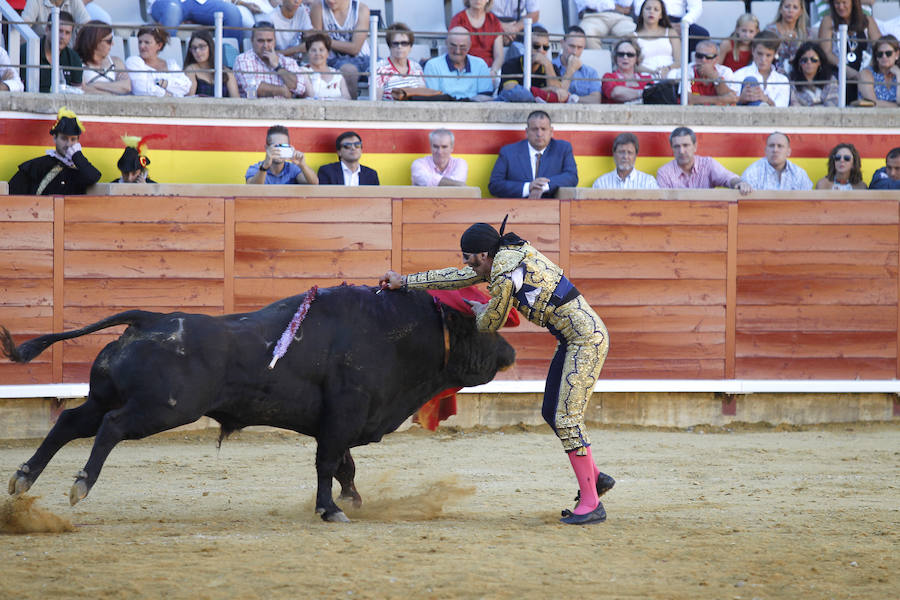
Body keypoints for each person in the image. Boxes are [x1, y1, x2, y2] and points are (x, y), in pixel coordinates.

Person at [379, 217, 613, 526]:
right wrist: (405, 282)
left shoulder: (503, 271)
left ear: (483, 255)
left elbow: (491, 322)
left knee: (566, 418)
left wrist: (477, 313)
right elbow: (459, 277)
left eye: (469, 258)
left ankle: (592, 503)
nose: (466, 264)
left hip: (585, 340)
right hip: (573, 338)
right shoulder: (506, 255)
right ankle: (594, 479)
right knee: (551, 412)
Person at [9, 107, 101, 195]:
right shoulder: (36, 167)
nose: (68, 144)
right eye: (64, 139)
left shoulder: (81, 169)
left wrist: (77, 156)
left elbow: (94, 177)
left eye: (73, 139)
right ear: (55, 138)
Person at [488, 110, 577, 199]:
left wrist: (543, 186)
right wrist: (528, 187)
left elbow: (572, 177)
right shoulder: (508, 152)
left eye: (543, 129)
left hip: (552, 209)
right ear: (527, 132)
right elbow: (494, 185)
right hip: (516, 209)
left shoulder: (563, 149)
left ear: (551, 131)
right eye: (534, 129)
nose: (539, 134)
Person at [657, 126, 752, 194]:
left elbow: (727, 178)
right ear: (672, 149)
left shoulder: (707, 164)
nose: (681, 151)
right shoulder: (664, 172)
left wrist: (739, 183)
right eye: (677, 146)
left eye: (686, 145)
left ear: (695, 146)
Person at [818, 0, 881, 101]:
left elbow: (880, 47)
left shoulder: (867, 21)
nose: (841, 7)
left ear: (853, 3)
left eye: (844, 2)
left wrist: (865, 72)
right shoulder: (828, 21)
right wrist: (845, 69)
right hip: (837, 72)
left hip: (865, 71)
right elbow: (826, 53)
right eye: (837, 3)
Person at [309, 0, 371, 99]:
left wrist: (326, 40)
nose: (330, 1)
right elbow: (318, 43)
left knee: (382, 70)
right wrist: (322, 39)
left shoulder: (361, 9)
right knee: (348, 71)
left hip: (365, 58)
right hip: (334, 59)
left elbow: (355, 48)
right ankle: (353, 109)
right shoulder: (318, 7)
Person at [234, 21, 306, 98]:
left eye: (269, 41)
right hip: (255, 108)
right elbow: (251, 89)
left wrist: (278, 67)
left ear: (275, 41)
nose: (265, 45)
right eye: (260, 41)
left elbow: (300, 89)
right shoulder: (243, 59)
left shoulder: (287, 62)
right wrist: (282, 91)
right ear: (252, 40)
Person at [497, 25, 568, 102]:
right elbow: (515, 93)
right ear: (525, 45)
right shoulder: (511, 65)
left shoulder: (552, 68)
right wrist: (548, 90)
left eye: (545, 47)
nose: (541, 50)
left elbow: (559, 96)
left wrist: (548, 65)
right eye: (536, 46)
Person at [423, 28, 495, 101]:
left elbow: (486, 97)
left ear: (469, 45)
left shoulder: (480, 65)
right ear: (446, 43)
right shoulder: (433, 65)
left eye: (462, 47)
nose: (457, 51)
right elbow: (433, 99)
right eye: (453, 45)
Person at [21, 10, 82, 93]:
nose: (63, 36)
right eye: (59, 31)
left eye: (67, 33)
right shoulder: (26, 52)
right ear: (47, 30)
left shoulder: (73, 58)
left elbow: (77, 92)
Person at [374, 23, 436, 101]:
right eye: (395, 43)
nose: (399, 47)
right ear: (389, 46)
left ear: (410, 47)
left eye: (404, 43)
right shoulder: (379, 68)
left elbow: (422, 96)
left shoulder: (416, 67)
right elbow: (376, 102)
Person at [125, 26, 191, 97]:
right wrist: (167, 94)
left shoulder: (171, 65)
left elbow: (186, 86)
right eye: (140, 42)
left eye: (147, 42)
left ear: (159, 45)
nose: (142, 46)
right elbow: (140, 88)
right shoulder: (133, 62)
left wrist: (163, 83)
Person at [666, 40, 737, 105]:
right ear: (695, 56)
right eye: (699, 56)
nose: (703, 60)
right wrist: (721, 99)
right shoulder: (685, 70)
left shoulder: (725, 71)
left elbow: (732, 99)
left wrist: (715, 78)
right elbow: (687, 99)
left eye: (709, 57)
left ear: (716, 59)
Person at [246, 124, 318, 184]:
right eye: (276, 146)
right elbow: (252, 189)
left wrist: (303, 166)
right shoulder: (255, 168)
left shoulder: (293, 168)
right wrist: (265, 167)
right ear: (267, 148)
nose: (280, 151)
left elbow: (314, 184)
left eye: (284, 146)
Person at [734, 31, 790, 107]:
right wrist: (741, 99)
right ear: (753, 51)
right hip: (746, 117)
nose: (763, 59)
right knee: (750, 80)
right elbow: (728, 106)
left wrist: (765, 99)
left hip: (772, 118)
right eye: (760, 54)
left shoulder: (782, 80)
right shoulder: (739, 75)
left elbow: (782, 109)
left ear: (775, 54)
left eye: (768, 55)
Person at [74, 20, 131, 95]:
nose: (113, 44)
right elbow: (83, 90)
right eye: (109, 41)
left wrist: (96, 84)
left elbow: (126, 87)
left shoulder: (116, 61)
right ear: (95, 41)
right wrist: (114, 90)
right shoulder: (77, 63)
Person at [741, 132, 813, 191]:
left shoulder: (799, 174)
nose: (775, 150)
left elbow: (809, 202)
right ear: (766, 150)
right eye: (771, 146)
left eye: (780, 146)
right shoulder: (752, 173)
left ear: (788, 152)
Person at [449, 0, 505, 75]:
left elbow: (499, 56)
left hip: (488, 70)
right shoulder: (459, 19)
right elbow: (455, 51)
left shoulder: (494, 21)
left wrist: (493, 71)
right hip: (465, 70)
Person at [150, 0, 246, 43]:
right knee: (173, 10)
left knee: (232, 12)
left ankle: (228, 67)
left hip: (201, 3)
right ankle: (165, 64)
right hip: (168, 2)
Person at [634, 0, 709, 54]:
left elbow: (696, 8)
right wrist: (663, 22)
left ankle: (688, 70)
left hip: (680, 20)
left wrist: (684, 24)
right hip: (652, 16)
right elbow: (638, 7)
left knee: (702, 35)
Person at [553, 26, 602, 104]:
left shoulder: (590, 72)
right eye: (571, 46)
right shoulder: (550, 66)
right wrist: (570, 70)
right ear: (562, 43)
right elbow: (555, 98)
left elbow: (596, 100)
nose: (575, 52)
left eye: (579, 47)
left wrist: (572, 98)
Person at [184, 29, 240, 98]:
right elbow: (189, 100)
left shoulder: (226, 72)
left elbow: (236, 99)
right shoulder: (191, 70)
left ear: (210, 47)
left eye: (201, 47)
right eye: (194, 48)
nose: (197, 51)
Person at [591, 132, 659, 189]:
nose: (625, 157)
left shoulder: (648, 183)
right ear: (614, 154)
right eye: (621, 152)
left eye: (630, 153)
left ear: (635, 155)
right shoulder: (601, 183)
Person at [633, 0, 680, 78]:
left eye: (656, 9)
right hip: (645, 75)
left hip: (671, 73)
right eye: (648, 8)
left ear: (661, 15)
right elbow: (634, 65)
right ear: (642, 13)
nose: (651, 12)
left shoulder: (671, 33)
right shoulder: (634, 36)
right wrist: (653, 72)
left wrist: (667, 69)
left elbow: (680, 61)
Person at [299, 32, 351, 99]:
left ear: (328, 53)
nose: (317, 53)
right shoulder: (303, 72)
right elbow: (312, 96)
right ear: (308, 53)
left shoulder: (337, 74)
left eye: (321, 50)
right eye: (313, 50)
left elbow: (347, 98)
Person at [764, 0, 809, 76]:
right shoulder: (770, 30)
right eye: (787, 7)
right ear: (780, 9)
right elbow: (764, 53)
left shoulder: (805, 33)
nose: (790, 11)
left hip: (799, 74)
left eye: (795, 7)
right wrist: (780, 41)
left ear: (801, 11)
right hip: (773, 73)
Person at [602, 38, 653, 104]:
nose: (625, 57)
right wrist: (644, 93)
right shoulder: (608, 77)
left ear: (637, 58)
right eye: (621, 54)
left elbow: (653, 96)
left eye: (630, 55)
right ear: (615, 57)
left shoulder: (647, 79)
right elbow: (617, 93)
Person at [789, 41, 839, 106]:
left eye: (814, 59)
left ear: (820, 62)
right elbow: (795, 105)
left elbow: (833, 103)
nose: (809, 62)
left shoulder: (830, 79)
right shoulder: (791, 81)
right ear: (799, 63)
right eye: (804, 60)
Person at [858, 35, 900, 107]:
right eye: (880, 54)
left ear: (897, 54)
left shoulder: (898, 74)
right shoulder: (866, 73)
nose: (884, 56)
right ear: (876, 57)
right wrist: (896, 107)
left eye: (888, 53)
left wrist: (899, 75)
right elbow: (872, 103)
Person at [21, 0, 90, 36]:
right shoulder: (35, 1)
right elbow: (23, 26)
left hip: (68, 54)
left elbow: (89, 27)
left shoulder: (75, 1)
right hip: (40, 53)